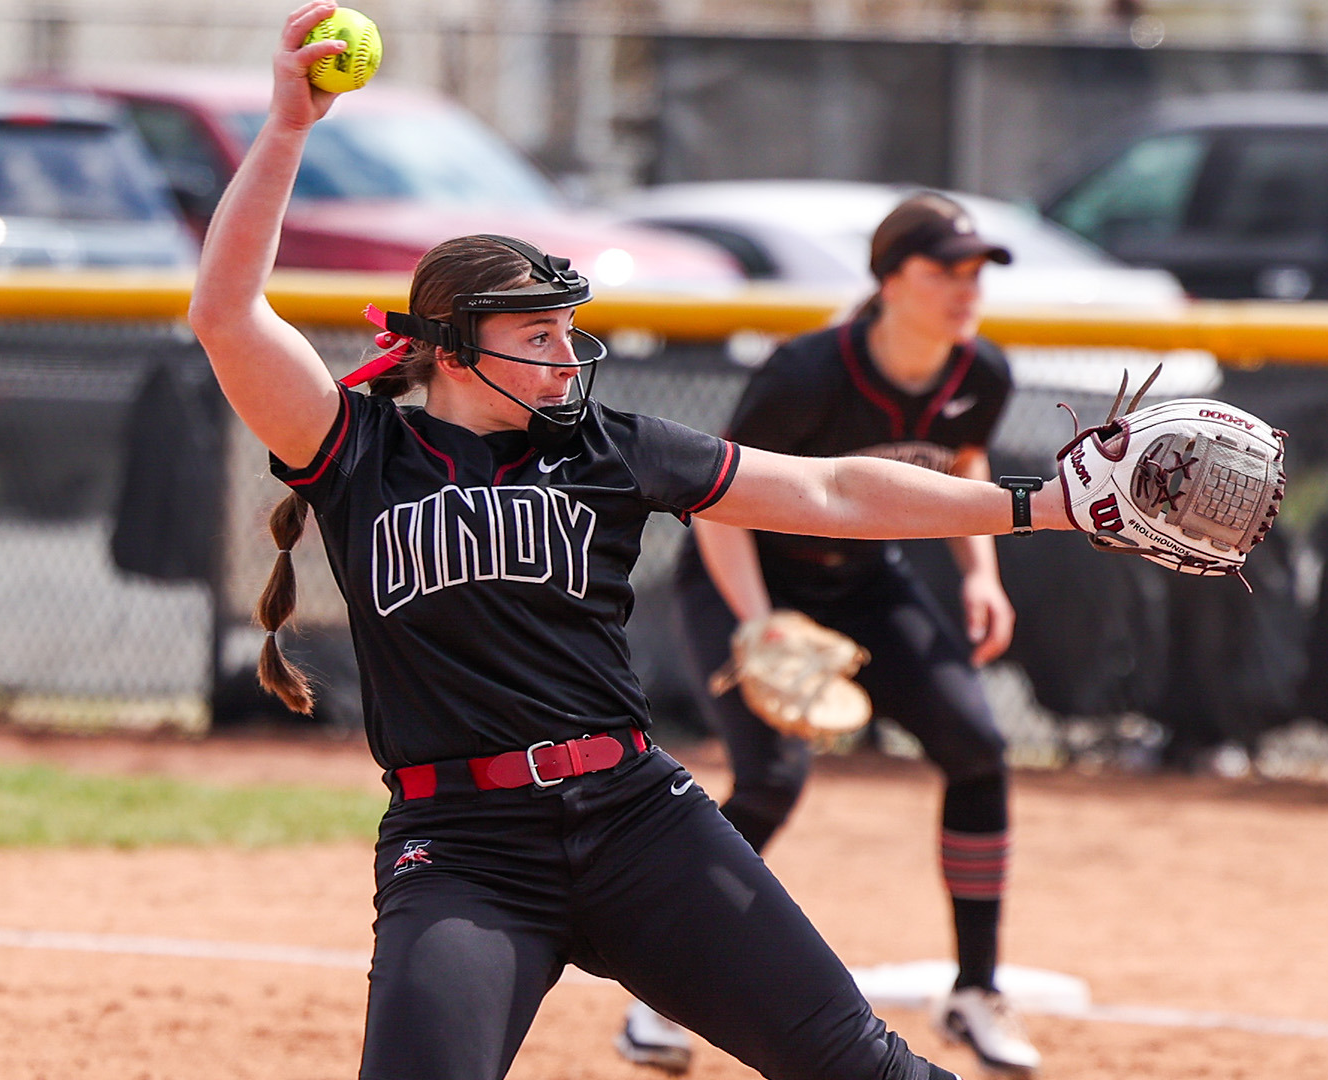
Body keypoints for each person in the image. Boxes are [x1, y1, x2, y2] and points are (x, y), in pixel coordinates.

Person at [189, 7, 1075, 1079]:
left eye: (571, 330)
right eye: (538, 336)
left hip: (637, 821)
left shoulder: (613, 448)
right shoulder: (359, 449)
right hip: (463, 850)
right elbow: (228, 314)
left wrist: (1047, 503)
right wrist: (287, 129)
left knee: (865, 1068)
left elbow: (835, 489)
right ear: (455, 353)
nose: (569, 355)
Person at [616, 193, 1043, 1077]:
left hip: (864, 582)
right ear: (888, 281)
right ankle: (657, 997)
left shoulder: (982, 373)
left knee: (977, 746)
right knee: (771, 781)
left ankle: (974, 990)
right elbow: (717, 499)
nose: (965, 290)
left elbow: (961, 467)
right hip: (746, 577)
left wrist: (980, 574)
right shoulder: (810, 373)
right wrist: (759, 622)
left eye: (976, 273)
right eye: (943, 270)